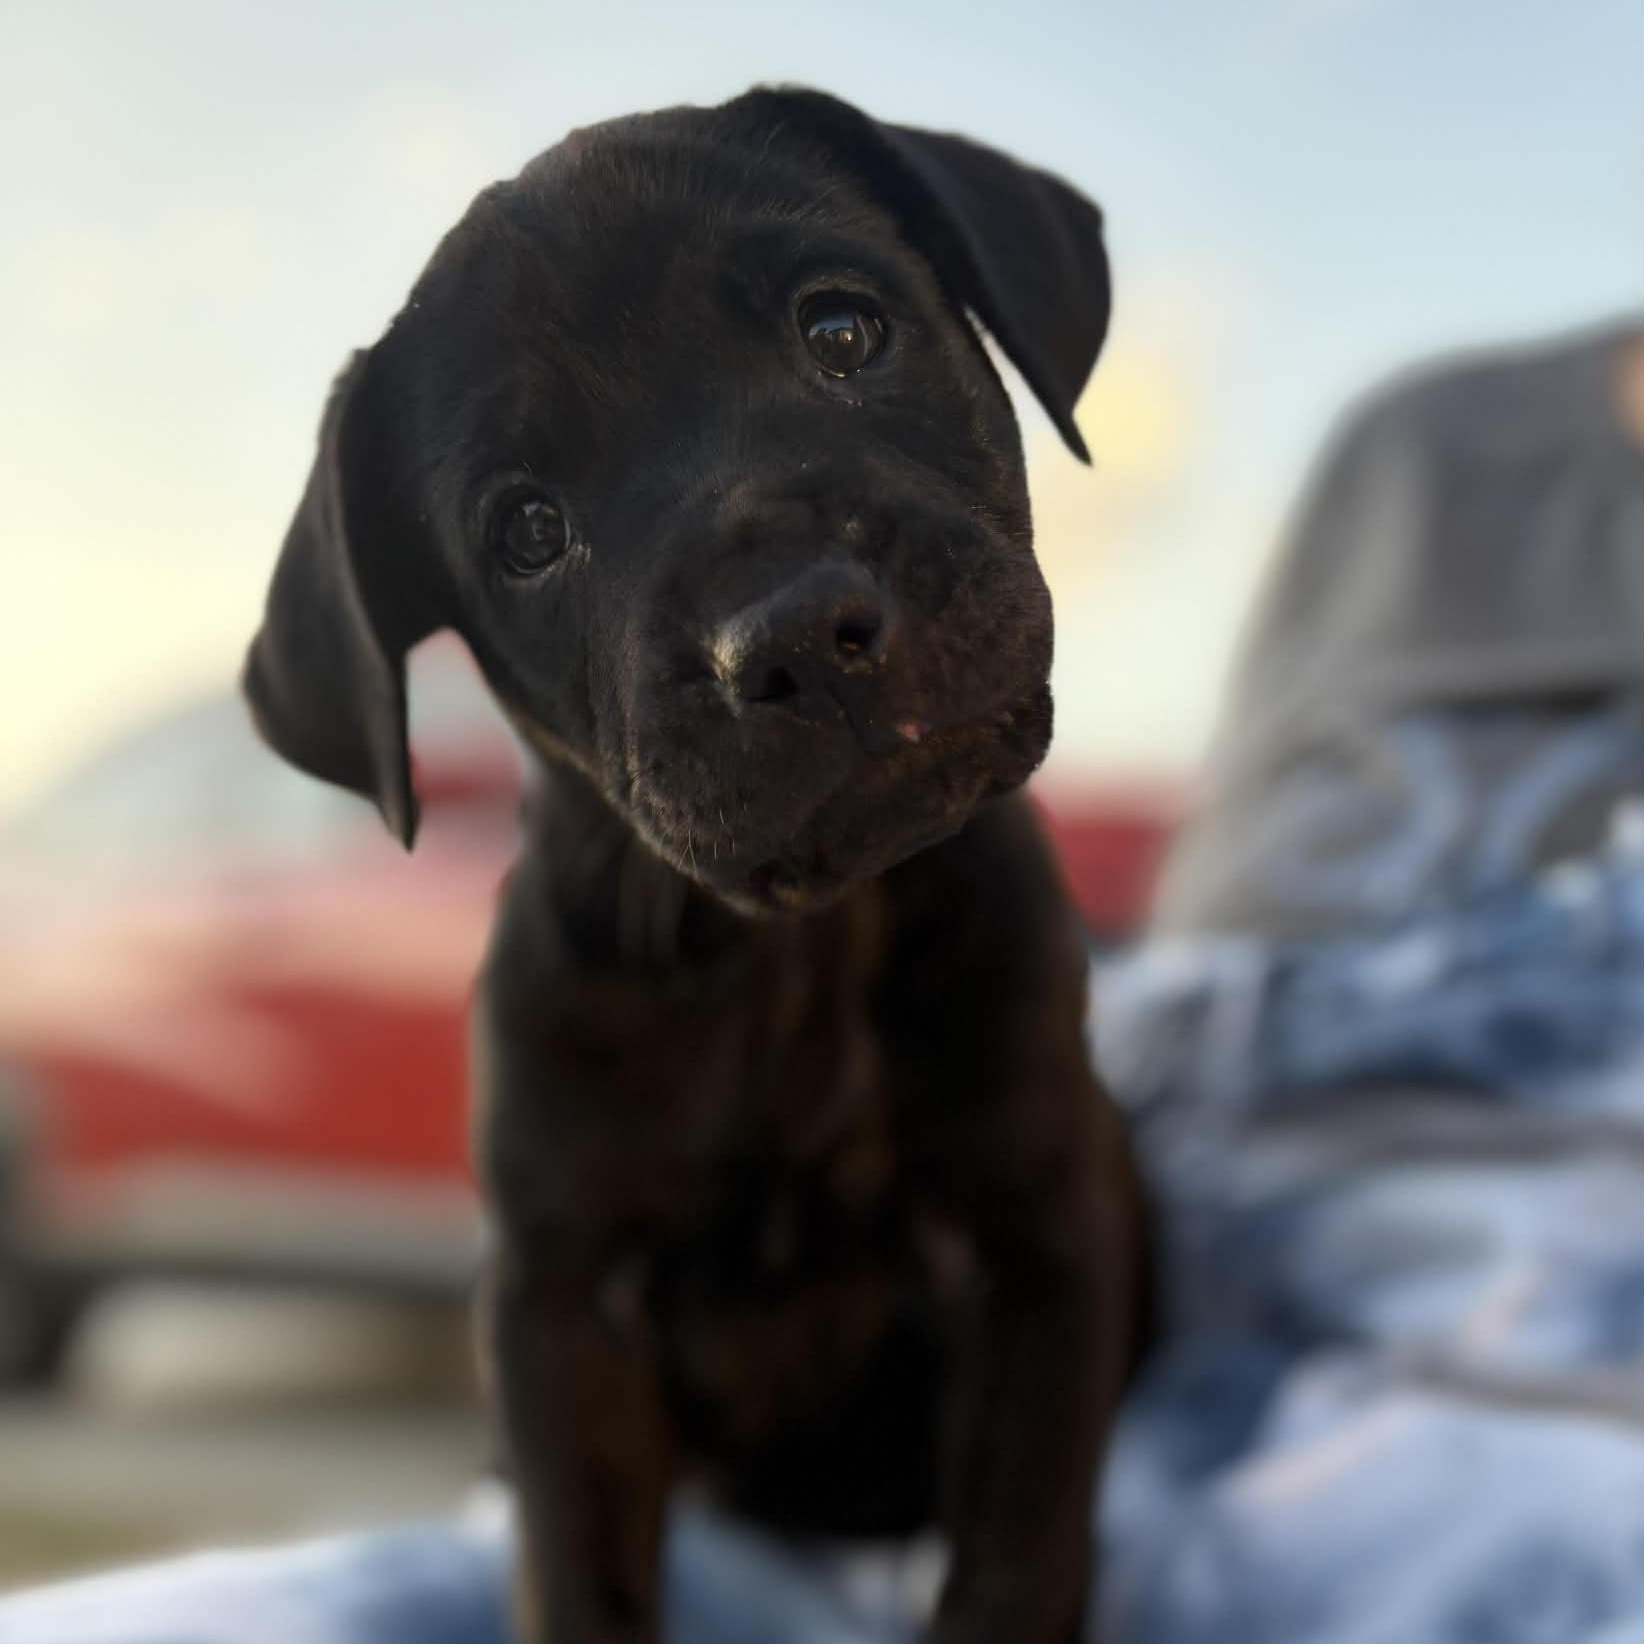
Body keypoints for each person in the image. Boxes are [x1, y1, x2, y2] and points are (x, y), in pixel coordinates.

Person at [5, 314, 1643, 1644]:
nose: (779, 605)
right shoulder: (1432, 456)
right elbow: (562, 1314)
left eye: (845, 336)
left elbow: (1058, 1235)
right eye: (527, 529)